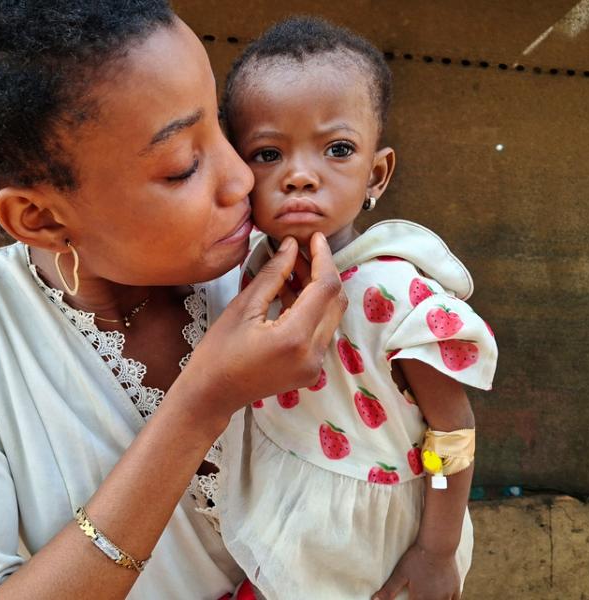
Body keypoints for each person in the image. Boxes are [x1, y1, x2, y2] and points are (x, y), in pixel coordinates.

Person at [0, 2, 347, 599]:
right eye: (182, 167)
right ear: (40, 217)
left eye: (224, 129)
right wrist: (204, 403)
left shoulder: (282, 269)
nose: (242, 179)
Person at [215, 17, 499, 599]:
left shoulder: (393, 296)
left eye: (337, 149)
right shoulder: (246, 269)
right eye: (268, 153)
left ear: (377, 173)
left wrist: (436, 552)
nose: (299, 175)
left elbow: (454, 432)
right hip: (282, 507)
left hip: (377, 545)